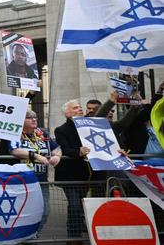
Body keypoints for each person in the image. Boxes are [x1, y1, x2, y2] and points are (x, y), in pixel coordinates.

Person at [9, 109, 62, 232]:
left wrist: (57, 156)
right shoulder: (15, 132)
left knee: (45, 210)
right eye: (29, 117)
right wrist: (36, 156)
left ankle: (34, 234)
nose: (34, 119)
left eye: (35, 117)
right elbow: (14, 150)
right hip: (22, 181)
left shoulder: (42, 133)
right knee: (22, 211)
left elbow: (57, 148)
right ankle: (20, 235)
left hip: (42, 181)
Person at [54, 100, 89, 243]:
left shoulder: (88, 127)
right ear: (67, 113)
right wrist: (78, 152)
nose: (80, 109)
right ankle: (73, 237)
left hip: (85, 174)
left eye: (80, 107)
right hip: (68, 174)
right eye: (75, 108)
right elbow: (65, 149)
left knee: (80, 205)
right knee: (74, 205)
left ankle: (77, 229)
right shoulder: (61, 130)